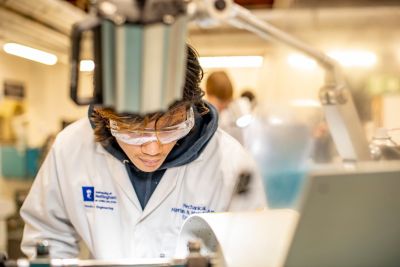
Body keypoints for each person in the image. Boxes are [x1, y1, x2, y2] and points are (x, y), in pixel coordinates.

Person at [20, 46, 266, 260]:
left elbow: (251, 253)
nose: (153, 149)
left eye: (171, 128)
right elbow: (48, 236)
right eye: (133, 132)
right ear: (106, 116)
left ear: (190, 110)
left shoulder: (231, 163)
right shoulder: (70, 148)